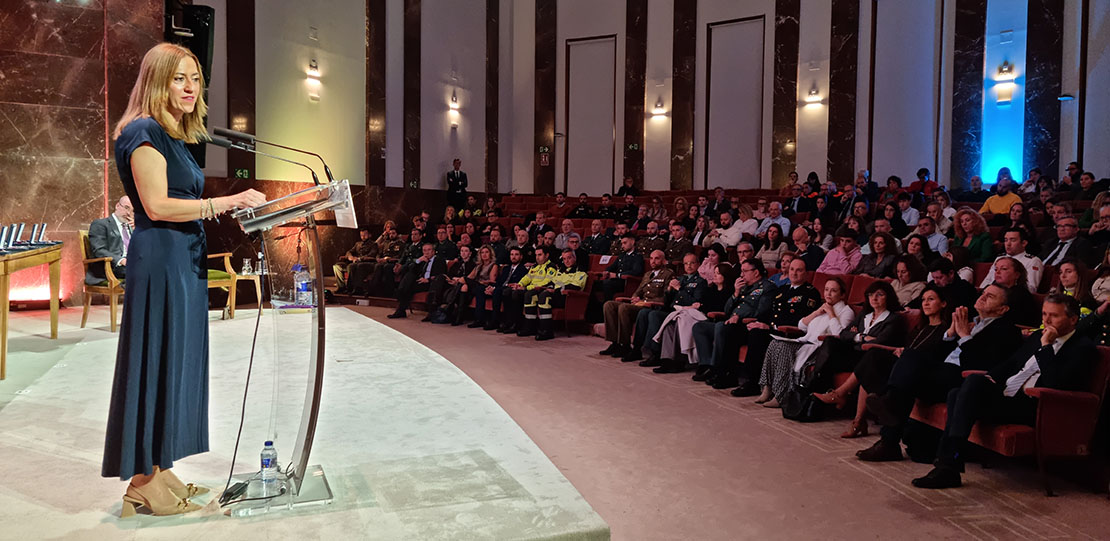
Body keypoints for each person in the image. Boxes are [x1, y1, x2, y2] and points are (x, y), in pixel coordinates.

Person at [103, 43, 267, 516]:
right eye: (179, 78)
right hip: (161, 260)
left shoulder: (174, 135)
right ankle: (141, 478)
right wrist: (227, 202)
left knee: (176, 362)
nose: (191, 87)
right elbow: (156, 206)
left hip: (185, 258)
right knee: (158, 359)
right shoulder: (143, 131)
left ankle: (160, 467)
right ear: (157, 81)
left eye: (195, 77)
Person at [912, 295, 1095, 489]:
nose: (1046, 321)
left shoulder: (1082, 348)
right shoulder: (1036, 338)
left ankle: (949, 464)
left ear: (1073, 319)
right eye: (1044, 314)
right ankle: (949, 464)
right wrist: (990, 377)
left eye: (1054, 316)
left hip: (1035, 406)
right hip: (1008, 397)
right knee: (957, 393)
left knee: (970, 385)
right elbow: (1010, 364)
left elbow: (1055, 382)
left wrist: (1047, 347)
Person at [857, 284, 1022, 463]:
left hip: (961, 380)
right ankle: (889, 434)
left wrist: (965, 337)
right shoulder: (970, 322)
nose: (982, 297)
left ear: (1003, 308)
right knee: (876, 358)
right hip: (941, 372)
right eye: (983, 293)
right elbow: (939, 355)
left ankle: (889, 424)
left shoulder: (1006, 330)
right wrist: (950, 334)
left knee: (909, 362)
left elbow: (982, 364)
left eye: (990, 296)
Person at [815, 285, 950, 438]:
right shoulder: (920, 328)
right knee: (868, 360)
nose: (925, 303)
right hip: (900, 363)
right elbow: (844, 333)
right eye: (923, 300)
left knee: (871, 357)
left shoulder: (944, 331)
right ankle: (857, 419)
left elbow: (933, 354)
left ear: (943, 303)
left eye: (930, 300)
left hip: (916, 371)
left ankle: (844, 399)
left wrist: (903, 352)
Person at [755, 277, 855, 407]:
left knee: (785, 347)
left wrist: (831, 314)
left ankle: (781, 396)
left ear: (842, 294)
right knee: (774, 343)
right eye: (826, 290)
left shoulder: (846, 311)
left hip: (819, 348)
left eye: (833, 291)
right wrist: (816, 313)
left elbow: (840, 334)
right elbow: (801, 325)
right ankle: (767, 387)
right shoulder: (822, 307)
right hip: (805, 341)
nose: (828, 294)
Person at [690, 258, 777, 387]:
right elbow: (727, 310)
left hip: (746, 325)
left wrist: (739, 318)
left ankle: (718, 370)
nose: (741, 275)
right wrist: (735, 293)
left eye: (745, 271)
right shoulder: (743, 286)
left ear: (756, 272)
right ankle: (706, 364)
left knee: (723, 328)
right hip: (732, 322)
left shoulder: (767, 287)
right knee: (699, 327)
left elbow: (761, 312)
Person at [599, 250, 674, 358]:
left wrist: (645, 302)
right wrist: (635, 297)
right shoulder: (648, 274)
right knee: (609, 305)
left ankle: (625, 345)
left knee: (624, 307)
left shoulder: (668, 274)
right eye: (651, 258)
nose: (653, 261)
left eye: (656, 258)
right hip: (640, 304)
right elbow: (638, 291)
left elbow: (666, 297)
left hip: (651, 306)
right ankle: (614, 343)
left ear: (663, 261)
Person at [641, 253, 709, 371]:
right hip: (672, 311)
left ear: (698, 264)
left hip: (687, 314)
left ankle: (663, 357)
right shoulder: (680, 279)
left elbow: (695, 302)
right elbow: (668, 301)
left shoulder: (700, 282)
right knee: (651, 314)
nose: (689, 266)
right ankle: (653, 353)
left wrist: (680, 289)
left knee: (663, 319)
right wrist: (669, 290)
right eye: (686, 263)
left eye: (692, 263)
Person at [533, 250, 588, 340]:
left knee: (545, 297)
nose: (566, 261)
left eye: (569, 258)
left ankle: (547, 331)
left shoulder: (580, 271)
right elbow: (553, 282)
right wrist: (549, 288)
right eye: (564, 259)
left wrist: (555, 290)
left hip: (568, 298)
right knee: (533, 294)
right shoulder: (561, 270)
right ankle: (535, 328)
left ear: (575, 258)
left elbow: (575, 287)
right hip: (556, 294)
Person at [505, 247, 557, 336]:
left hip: (540, 290)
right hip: (531, 289)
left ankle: (530, 327)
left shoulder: (551, 266)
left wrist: (526, 288)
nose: (537, 257)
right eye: (536, 255)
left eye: (540, 255)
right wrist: (519, 284)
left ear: (547, 255)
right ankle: (511, 323)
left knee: (527, 295)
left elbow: (546, 282)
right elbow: (527, 277)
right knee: (508, 291)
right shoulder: (535, 266)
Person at [388, 243, 448, 319]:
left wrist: (428, 279)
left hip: (432, 283)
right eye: (424, 250)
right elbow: (409, 269)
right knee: (409, 277)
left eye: (429, 250)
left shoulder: (439, 260)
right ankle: (401, 310)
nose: (426, 252)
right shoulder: (422, 260)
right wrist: (418, 261)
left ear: (433, 251)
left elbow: (441, 274)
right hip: (421, 282)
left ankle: (400, 293)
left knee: (407, 287)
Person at [87, 196, 134, 284]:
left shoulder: (132, 228)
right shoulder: (101, 224)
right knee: (144, 273)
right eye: (126, 208)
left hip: (130, 265)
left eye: (132, 211)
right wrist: (121, 260)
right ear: (117, 206)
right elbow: (99, 250)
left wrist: (138, 231)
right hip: (111, 267)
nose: (128, 213)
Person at [979, 228, 1043, 291]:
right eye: (1006, 240)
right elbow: (988, 280)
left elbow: (1031, 288)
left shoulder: (1032, 261)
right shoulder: (1000, 258)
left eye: (1013, 240)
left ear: (1024, 243)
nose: (1008, 244)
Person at [479, 247, 528, 331]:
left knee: (499, 291)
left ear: (521, 257)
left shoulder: (523, 269)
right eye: (512, 254)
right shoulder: (506, 268)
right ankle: (485, 320)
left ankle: (499, 321)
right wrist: (492, 287)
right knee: (482, 289)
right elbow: (499, 281)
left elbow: (514, 284)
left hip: (510, 289)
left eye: (516, 255)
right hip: (501, 288)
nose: (513, 257)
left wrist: (496, 289)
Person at [427, 244, 478, 324]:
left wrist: (458, 280)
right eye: (462, 251)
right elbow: (449, 274)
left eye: (466, 251)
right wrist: (452, 279)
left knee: (462, 285)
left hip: (465, 284)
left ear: (470, 253)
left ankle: (454, 311)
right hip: (452, 283)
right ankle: (434, 304)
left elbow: (470, 278)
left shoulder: (474, 265)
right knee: (440, 278)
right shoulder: (457, 263)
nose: (463, 253)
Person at [334, 227, 378, 294]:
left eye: (365, 235)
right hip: (354, 261)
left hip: (365, 263)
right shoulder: (358, 244)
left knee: (351, 266)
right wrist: (350, 256)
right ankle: (341, 287)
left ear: (369, 235)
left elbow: (372, 254)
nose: (363, 237)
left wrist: (359, 259)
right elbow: (349, 251)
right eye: (361, 235)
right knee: (337, 266)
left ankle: (350, 288)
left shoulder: (373, 244)